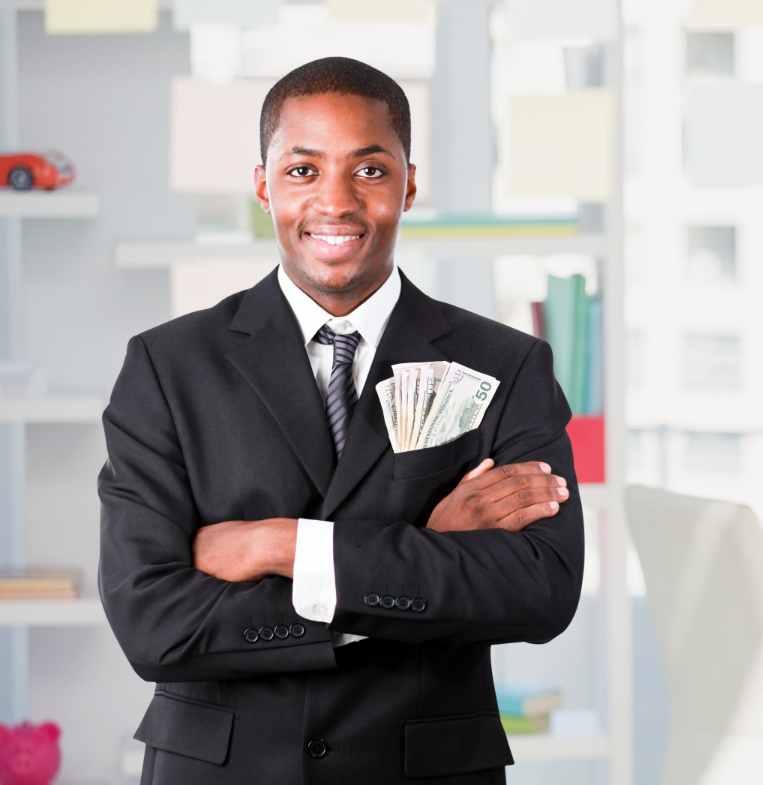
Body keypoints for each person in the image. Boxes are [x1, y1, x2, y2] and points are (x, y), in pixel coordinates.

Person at [97, 56, 583, 784]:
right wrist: (423, 551)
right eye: (302, 171)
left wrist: (281, 544)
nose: (336, 201)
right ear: (263, 186)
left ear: (410, 184)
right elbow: (153, 624)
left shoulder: (505, 364)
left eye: (370, 170)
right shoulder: (168, 367)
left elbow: (540, 588)